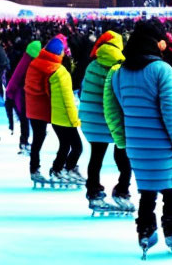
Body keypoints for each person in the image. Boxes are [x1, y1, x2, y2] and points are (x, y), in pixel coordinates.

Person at [104, 21, 172, 256]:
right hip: (162, 142)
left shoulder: (120, 73)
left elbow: (120, 104)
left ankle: (145, 230)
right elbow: (170, 110)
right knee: (170, 188)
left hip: (136, 145)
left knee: (147, 190)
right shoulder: (162, 70)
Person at [79, 30, 133, 212]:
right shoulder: (121, 67)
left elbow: (84, 90)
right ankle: (122, 189)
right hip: (114, 120)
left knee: (96, 158)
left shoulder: (92, 65)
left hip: (92, 121)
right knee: (124, 158)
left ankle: (93, 191)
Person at [25, 36, 67, 185]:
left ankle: (34, 169)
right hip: (44, 108)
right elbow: (49, 90)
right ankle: (56, 168)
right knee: (63, 139)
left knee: (37, 139)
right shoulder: (50, 67)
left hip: (32, 107)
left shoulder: (35, 62)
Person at [48, 36, 84, 184]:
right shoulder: (62, 74)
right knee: (76, 147)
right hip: (64, 117)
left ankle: (59, 169)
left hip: (56, 116)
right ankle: (66, 169)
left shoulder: (53, 71)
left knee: (65, 145)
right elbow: (67, 99)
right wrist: (74, 119)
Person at [6, 39, 41, 154]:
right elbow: (16, 78)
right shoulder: (27, 61)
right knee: (24, 120)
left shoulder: (26, 60)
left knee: (25, 120)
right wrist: (10, 93)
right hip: (21, 96)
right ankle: (24, 142)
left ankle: (25, 142)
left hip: (24, 95)